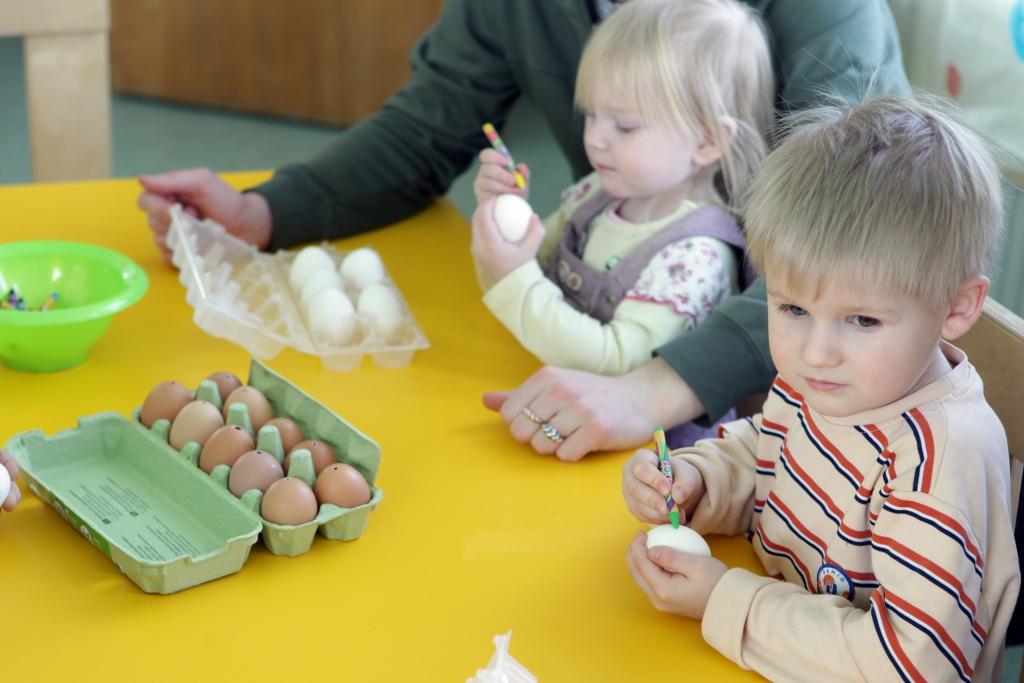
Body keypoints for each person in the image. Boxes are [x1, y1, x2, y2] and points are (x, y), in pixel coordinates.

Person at [137, 1, 910, 459]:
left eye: (625, 122)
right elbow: (428, 125)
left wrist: (652, 387)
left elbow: (851, 217)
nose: (599, 136)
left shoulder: (830, 20)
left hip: (805, 407)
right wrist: (266, 212)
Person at [621, 94, 1019, 681]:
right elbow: (772, 452)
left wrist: (724, 600)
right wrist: (698, 482)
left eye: (862, 320)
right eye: (792, 308)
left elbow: (911, 666)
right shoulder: (839, 377)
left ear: (956, 306)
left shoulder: (939, 462)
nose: (813, 351)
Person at [469, 0, 772, 446]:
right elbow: (516, 275)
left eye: (625, 126)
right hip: (560, 410)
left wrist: (512, 275)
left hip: (649, 465)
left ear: (707, 141)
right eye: (591, 114)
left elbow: (615, 365)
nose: (593, 138)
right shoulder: (599, 193)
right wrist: (503, 223)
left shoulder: (697, 256)